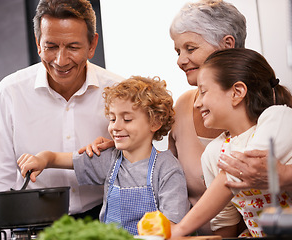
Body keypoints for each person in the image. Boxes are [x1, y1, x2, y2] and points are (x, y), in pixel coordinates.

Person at [78, 0, 248, 236]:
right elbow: (157, 167)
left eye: (190, 48)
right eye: (178, 51)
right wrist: (122, 145)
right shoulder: (183, 106)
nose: (180, 60)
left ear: (227, 45)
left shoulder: (266, 114)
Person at [0, 0, 125, 225]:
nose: (60, 60)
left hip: (104, 217)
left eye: (73, 47)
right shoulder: (10, 92)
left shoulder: (119, 91)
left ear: (92, 45)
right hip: (35, 221)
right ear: (38, 43)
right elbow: (0, 176)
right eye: (51, 46)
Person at [17, 76, 189, 235]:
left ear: (155, 122)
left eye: (127, 119)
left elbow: (173, 226)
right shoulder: (109, 159)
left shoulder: (167, 168)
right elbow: (58, 159)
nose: (115, 126)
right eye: (112, 119)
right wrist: (43, 158)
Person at [170, 48, 292, 238]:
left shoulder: (278, 118)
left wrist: (179, 229)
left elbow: (239, 171)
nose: (196, 103)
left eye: (203, 92)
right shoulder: (213, 152)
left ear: (237, 92)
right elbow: (224, 219)